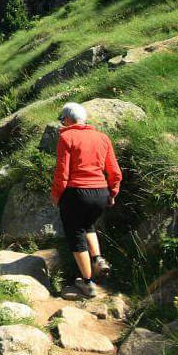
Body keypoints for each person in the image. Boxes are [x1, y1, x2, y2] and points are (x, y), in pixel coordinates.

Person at [51, 102, 122, 298]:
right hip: (101, 192)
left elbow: (62, 173)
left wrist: (56, 195)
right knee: (87, 225)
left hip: (76, 193)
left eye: (62, 120)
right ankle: (98, 259)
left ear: (67, 119)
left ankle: (88, 283)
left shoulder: (66, 137)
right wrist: (112, 193)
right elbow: (115, 171)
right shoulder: (102, 137)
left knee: (75, 235)